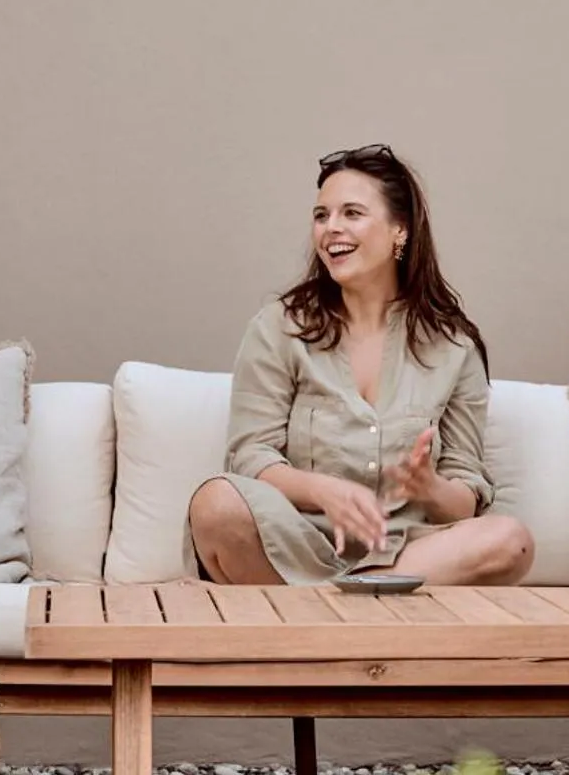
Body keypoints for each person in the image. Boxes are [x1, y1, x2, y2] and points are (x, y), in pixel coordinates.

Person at [187, 144, 533, 585]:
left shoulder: (453, 345)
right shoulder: (279, 328)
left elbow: (465, 494)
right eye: (321, 215)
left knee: (510, 540)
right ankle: (356, 606)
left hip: (409, 557)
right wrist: (324, 491)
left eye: (352, 213)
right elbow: (251, 456)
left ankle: (328, 607)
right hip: (294, 545)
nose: (332, 228)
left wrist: (429, 487)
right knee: (215, 504)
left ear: (399, 232)